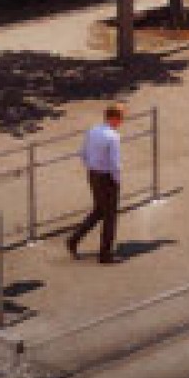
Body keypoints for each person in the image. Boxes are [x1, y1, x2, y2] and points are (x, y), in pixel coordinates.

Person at [67, 104, 125, 264]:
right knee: (110, 217)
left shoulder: (93, 130)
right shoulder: (113, 137)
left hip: (93, 175)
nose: (122, 121)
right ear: (113, 118)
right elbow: (115, 164)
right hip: (107, 178)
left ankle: (74, 239)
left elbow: (83, 152)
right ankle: (105, 254)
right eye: (121, 117)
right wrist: (117, 181)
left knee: (99, 210)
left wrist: (92, 167)